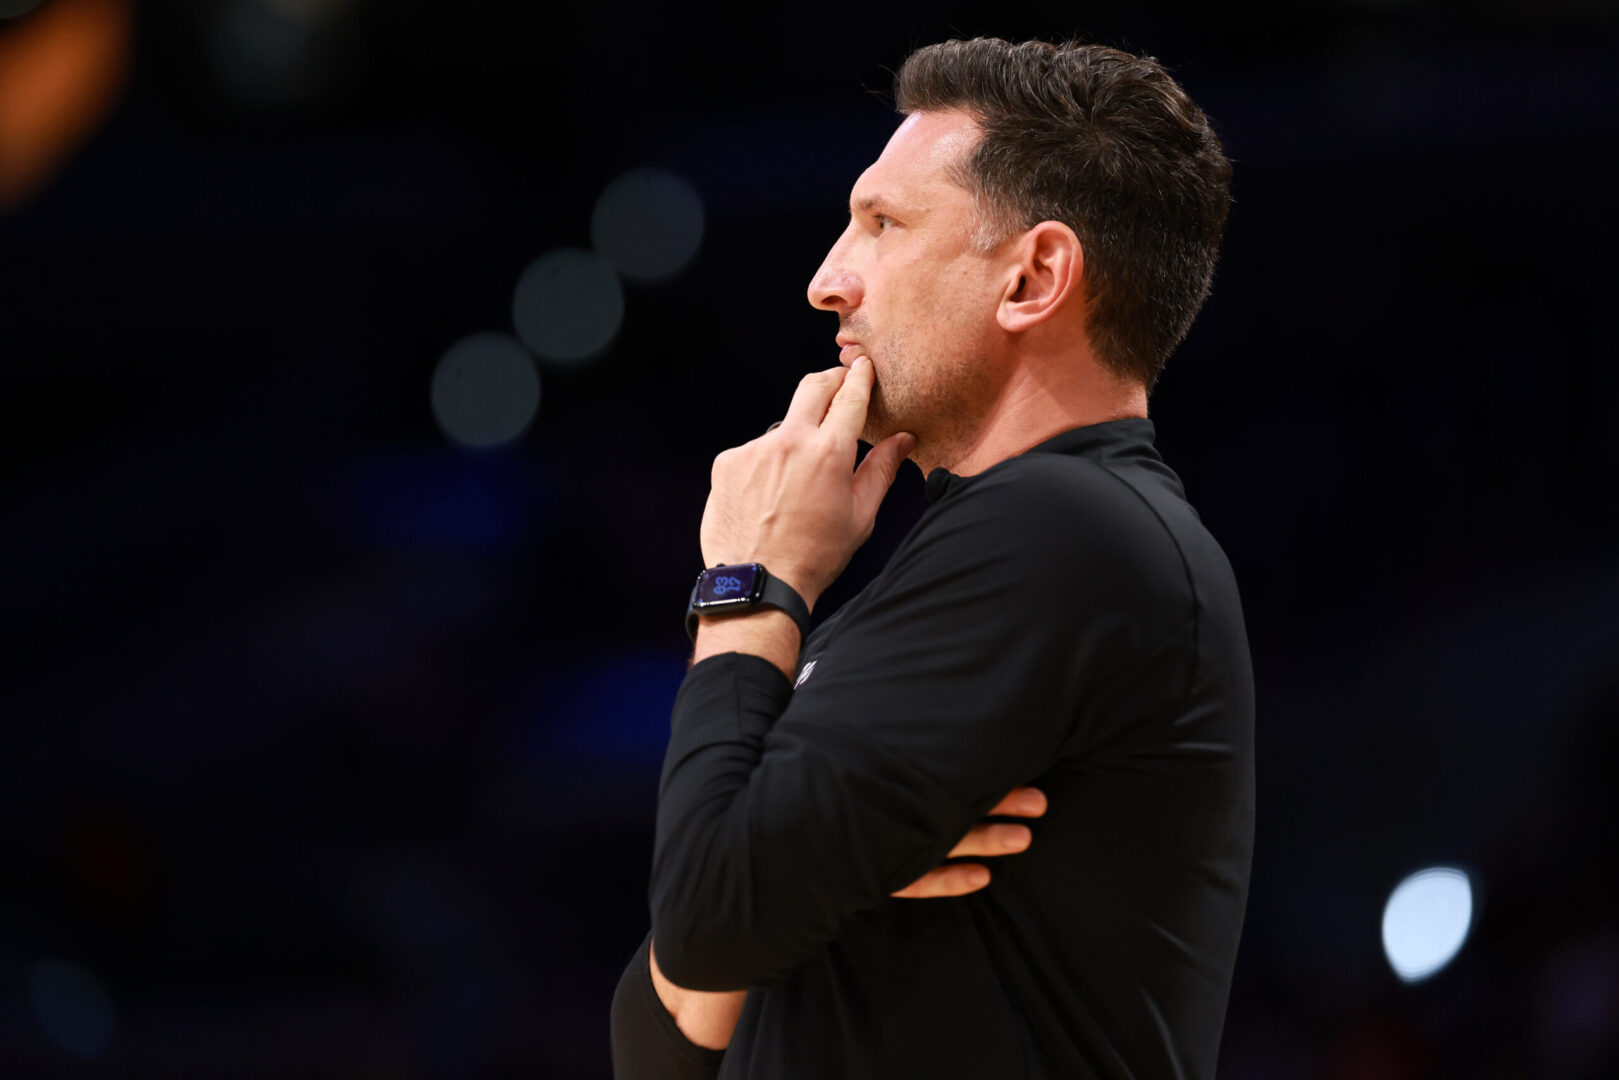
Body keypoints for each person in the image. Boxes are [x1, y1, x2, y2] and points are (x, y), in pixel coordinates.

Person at [610, 36, 1253, 1079]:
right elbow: (654, 1038)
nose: (827, 281)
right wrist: (810, 874)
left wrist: (744, 582)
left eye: (881, 224)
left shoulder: (1061, 528)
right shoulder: (994, 546)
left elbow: (705, 923)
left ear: (1033, 276)